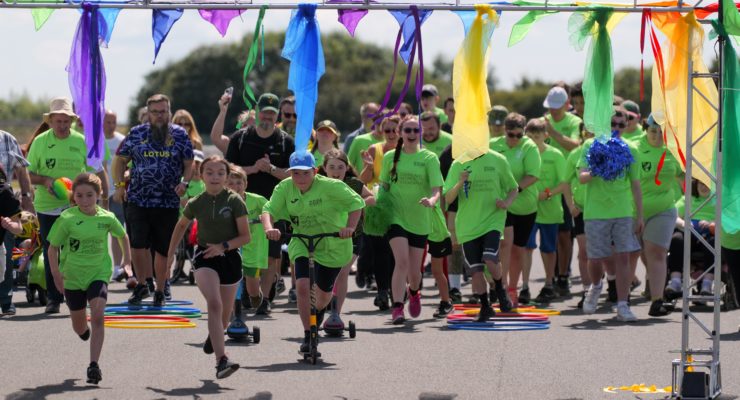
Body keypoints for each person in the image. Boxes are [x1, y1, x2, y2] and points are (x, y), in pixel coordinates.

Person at [262, 151, 364, 353]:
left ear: (315, 171)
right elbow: (268, 210)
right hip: (302, 240)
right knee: (302, 286)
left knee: (323, 297)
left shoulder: (331, 186)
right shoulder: (284, 187)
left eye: (305, 173)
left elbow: (357, 204)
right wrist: (269, 228)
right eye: (295, 174)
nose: (300, 178)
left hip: (332, 244)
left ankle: (317, 315)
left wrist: (349, 228)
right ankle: (309, 335)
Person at [167, 156, 250, 379]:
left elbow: (245, 237)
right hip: (204, 258)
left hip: (230, 258)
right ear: (200, 175)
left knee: (224, 317)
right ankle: (222, 360)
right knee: (214, 304)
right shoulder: (196, 202)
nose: (215, 177)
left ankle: (215, 337)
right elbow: (180, 228)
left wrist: (223, 246)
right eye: (210, 172)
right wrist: (168, 262)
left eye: (220, 173)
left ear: (226, 176)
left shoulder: (234, 201)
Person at [47, 173, 131, 384]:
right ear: (73, 196)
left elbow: (122, 236)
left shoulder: (107, 218)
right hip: (72, 276)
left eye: (89, 195)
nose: (85, 201)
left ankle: (93, 365)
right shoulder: (67, 218)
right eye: (80, 196)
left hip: (98, 273)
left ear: (99, 195)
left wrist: (127, 262)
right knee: (79, 326)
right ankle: (83, 331)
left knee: (98, 314)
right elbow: (52, 248)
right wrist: (57, 275)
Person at [28, 97, 109, 314]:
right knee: (50, 250)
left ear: (72, 121)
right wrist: (46, 181)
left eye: (67, 121)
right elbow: (28, 174)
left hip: (77, 206)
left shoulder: (81, 141)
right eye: (59, 121)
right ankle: (53, 299)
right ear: (50, 120)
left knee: (74, 250)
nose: (63, 126)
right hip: (47, 206)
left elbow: (98, 171)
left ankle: (76, 294)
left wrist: (105, 200)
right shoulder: (40, 142)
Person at [113, 93, 194, 307]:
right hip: (138, 199)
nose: (159, 115)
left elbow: (189, 163)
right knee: (138, 245)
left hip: (167, 201)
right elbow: (120, 162)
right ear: (148, 113)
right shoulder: (136, 133)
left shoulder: (180, 135)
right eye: (155, 112)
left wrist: (184, 183)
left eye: (163, 111)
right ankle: (142, 284)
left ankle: (160, 288)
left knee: (163, 248)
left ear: (169, 112)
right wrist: (120, 186)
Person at [224, 92, 295, 313]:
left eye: (272, 114)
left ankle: (263, 300)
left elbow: (295, 176)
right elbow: (227, 170)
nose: (267, 118)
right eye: (264, 113)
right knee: (241, 251)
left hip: (275, 207)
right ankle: (246, 290)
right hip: (240, 206)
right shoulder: (240, 138)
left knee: (272, 255)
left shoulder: (285, 141)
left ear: (277, 117)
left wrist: (271, 169)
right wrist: (253, 169)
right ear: (257, 112)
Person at [380, 115, 444, 324]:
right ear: (400, 133)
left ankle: (414, 292)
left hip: (419, 218)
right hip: (395, 216)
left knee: (414, 272)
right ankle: (398, 307)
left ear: (421, 133)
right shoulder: (390, 157)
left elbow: (437, 189)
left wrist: (433, 201)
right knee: (402, 262)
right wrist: (377, 208)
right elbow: (385, 187)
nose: (412, 134)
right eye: (407, 130)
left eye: (416, 131)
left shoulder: (429, 158)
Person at [444, 147, 518, 321]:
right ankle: (485, 306)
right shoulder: (458, 163)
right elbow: (448, 198)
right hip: (468, 225)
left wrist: (507, 202)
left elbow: (513, 188)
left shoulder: (498, 159)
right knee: (476, 271)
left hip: (493, 219)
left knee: (490, 258)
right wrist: (460, 183)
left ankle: (500, 289)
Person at [578, 127, 644, 322]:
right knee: (596, 258)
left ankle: (623, 304)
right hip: (596, 211)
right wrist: (598, 169)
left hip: (622, 211)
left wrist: (639, 215)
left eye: (619, 122)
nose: (615, 125)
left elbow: (635, 184)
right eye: (612, 121)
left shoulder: (630, 148)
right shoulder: (590, 145)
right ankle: (596, 286)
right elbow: (582, 178)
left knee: (623, 256)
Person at [317, 149, 375, 329]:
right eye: (332, 167)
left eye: (340, 167)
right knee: (321, 277)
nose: (336, 171)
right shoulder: (316, 184)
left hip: (352, 235)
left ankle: (335, 314)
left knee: (342, 273)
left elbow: (372, 197)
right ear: (324, 168)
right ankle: (319, 308)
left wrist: (355, 206)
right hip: (323, 237)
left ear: (346, 168)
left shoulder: (354, 184)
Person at [489, 113, 541, 305]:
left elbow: (533, 175)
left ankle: (513, 288)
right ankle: (500, 288)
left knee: (518, 250)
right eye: (511, 135)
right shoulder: (494, 144)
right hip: (501, 205)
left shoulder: (529, 146)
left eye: (519, 135)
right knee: (504, 245)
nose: (515, 139)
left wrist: (514, 191)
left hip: (525, 205)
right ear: (505, 130)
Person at [635, 115, 681, 316]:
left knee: (657, 252)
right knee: (629, 255)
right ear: (646, 129)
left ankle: (657, 300)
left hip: (663, 208)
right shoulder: (634, 148)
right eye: (653, 131)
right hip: (634, 210)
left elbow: (687, 174)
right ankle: (620, 299)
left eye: (661, 132)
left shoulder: (674, 149)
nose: (656, 136)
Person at [522, 118, 568, 304]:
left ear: (545, 136)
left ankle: (549, 284)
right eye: (530, 136)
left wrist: (547, 194)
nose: (533, 140)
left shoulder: (555, 155)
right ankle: (524, 286)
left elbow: (564, 183)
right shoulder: (523, 153)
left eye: (537, 136)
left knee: (549, 248)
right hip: (528, 209)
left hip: (550, 210)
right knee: (527, 247)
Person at [358, 115, 399, 308]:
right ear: (382, 132)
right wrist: (367, 165)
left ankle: (397, 289)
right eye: (387, 130)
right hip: (377, 206)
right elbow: (362, 180)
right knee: (380, 251)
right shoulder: (375, 150)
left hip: (401, 206)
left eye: (395, 129)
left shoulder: (409, 151)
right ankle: (383, 291)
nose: (391, 134)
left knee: (396, 252)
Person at [225, 167, 269, 312]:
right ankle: (232, 308)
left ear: (245, 184)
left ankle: (256, 295)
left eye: (239, 183)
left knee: (252, 288)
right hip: (231, 246)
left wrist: (264, 218)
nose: (235, 187)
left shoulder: (257, 200)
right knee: (230, 279)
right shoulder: (222, 201)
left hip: (253, 246)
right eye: (230, 183)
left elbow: (270, 211)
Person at [0, 129, 34, 316]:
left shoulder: (7, 139)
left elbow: (22, 169)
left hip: (4, 201)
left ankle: (5, 300)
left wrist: (27, 197)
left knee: (4, 252)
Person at [666, 179, 715, 301]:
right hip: (689, 233)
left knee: (715, 243)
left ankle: (707, 284)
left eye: (707, 184)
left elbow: (727, 218)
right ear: (696, 185)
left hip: (709, 233)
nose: (704, 187)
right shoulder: (687, 199)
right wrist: (684, 223)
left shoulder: (718, 200)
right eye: (701, 184)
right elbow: (673, 216)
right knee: (676, 239)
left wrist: (712, 224)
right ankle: (676, 280)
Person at [564, 123, 595, 307]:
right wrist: (570, 205)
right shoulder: (575, 154)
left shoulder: (603, 151)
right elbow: (566, 182)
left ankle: (610, 285)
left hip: (601, 210)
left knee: (600, 252)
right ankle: (587, 290)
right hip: (581, 209)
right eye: (586, 131)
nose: (589, 134)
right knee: (584, 252)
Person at [103, 110, 127, 281]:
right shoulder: (96, 140)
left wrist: (122, 187)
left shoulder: (122, 141)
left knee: (119, 231)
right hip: (101, 193)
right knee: (102, 231)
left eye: (113, 121)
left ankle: (119, 267)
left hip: (118, 192)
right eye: (107, 121)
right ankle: (103, 267)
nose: (111, 125)